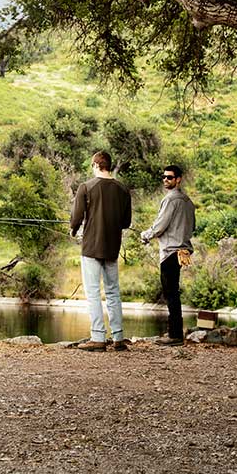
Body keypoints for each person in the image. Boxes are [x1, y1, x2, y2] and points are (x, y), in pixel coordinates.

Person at [69, 150, 132, 351]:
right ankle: (118, 337)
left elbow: (76, 217)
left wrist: (73, 230)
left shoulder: (86, 187)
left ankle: (98, 337)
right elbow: (126, 222)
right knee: (113, 291)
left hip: (91, 247)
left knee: (93, 292)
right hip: (112, 248)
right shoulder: (123, 189)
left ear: (96, 165)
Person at [140, 164, 196, 346]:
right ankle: (175, 332)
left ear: (178, 179)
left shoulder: (170, 200)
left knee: (170, 294)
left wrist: (145, 235)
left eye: (169, 177)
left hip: (170, 252)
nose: (165, 180)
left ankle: (175, 336)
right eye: (164, 177)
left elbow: (160, 226)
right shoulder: (188, 202)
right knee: (173, 292)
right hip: (183, 252)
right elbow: (192, 227)